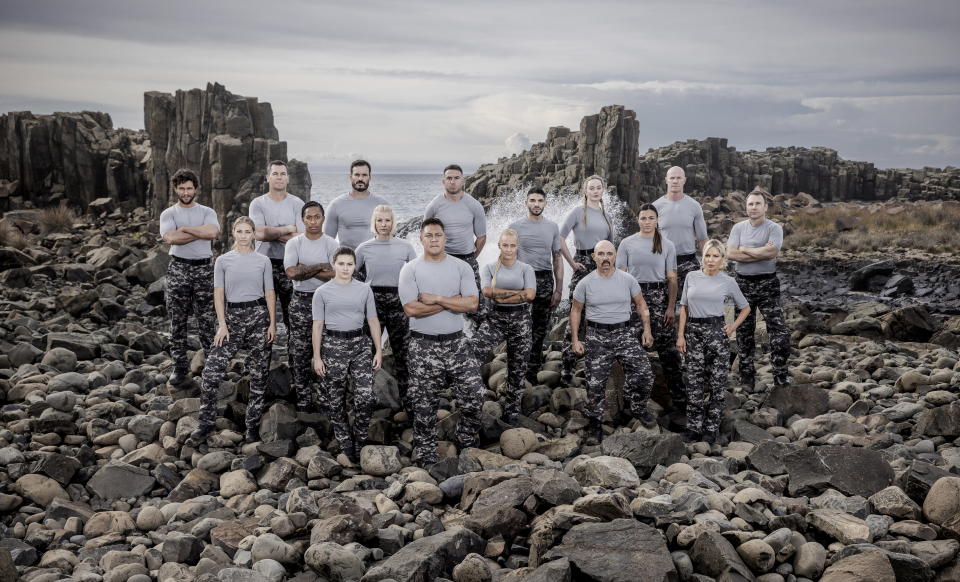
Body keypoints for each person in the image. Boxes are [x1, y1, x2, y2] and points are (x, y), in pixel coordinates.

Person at [398, 217, 484, 466]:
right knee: (423, 404)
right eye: (429, 235)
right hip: (422, 345)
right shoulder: (410, 269)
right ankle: (426, 452)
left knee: (475, 395)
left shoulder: (461, 268)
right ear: (421, 239)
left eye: (438, 235)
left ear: (445, 239)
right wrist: (450, 301)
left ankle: (465, 439)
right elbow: (411, 309)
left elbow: (471, 304)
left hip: (456, 344)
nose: (434, 239)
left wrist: (434, 298)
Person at [190, 217, 276, 444]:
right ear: (233, 233)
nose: (244, 235)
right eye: (240, 231)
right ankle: (205, 423)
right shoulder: (223, 261)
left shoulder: (263, 261)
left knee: (259, 376)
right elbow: (218, 294)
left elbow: (269, 293)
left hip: (259, 316)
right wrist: (222, 325)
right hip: (232, 319)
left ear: (254, 234)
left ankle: (252, 428)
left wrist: (273, 323)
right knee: (210, 372)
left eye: (248, 231)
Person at [571, 240, 655, 444]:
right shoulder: (585, 283)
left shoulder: (627, 280)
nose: (605, 258)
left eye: (609, 254)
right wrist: (575, 339)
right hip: (597, 336)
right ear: (594, 257)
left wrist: (647, 329)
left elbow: (641, 304)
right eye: (601, 254)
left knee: (645, 373)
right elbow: (576, 311)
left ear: (615, 256)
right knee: (595, 383)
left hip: (624, 333)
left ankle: (638, 407)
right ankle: (595, 424)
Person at [312, 247, 383, 462]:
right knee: (336, 400)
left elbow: (372, 321)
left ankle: (360, 440)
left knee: (365, 397)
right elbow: (317, 326)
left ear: (355, 266)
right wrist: (317, 356)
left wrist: (378, 350)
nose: (345, 268)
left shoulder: (364, 290)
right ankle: (345, 443)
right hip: (333, 346)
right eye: (341, 264)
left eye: (349, 264)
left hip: (360, 345)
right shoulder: (322, 292)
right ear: (333, 264)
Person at [677, 239, 751, 444]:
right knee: (694, 382)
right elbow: (683, 307)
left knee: (717, 383)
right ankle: (693, 428)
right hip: (693, 332)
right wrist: (680, 335)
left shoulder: (728, 281)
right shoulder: (691, 277)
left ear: (722, 259)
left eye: (715, 256)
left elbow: (745, 307)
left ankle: (711, 430)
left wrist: (733, 326)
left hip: (716, 333)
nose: (710, 260)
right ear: (703, 257)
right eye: (708, 255)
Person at [616, 203, 686, 418]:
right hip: (634, 301)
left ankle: (680, 404)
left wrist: (671, 307)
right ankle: (628, 405)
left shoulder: (667, 244)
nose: (647, 222)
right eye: (643, 218)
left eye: (651, 218)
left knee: (670, 355)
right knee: (629, 356)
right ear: (638, 220)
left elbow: (672, 279)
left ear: (657, 220)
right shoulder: (627, 244)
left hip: (659, 300)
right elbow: (621, 278)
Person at [159, 168, 220, 386]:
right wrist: (197, 232)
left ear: (196, 189)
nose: (186, 192)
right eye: (182, 188)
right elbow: (171, 238)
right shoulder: (168, 214)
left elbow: (212, 233)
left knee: (206, 320)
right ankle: (179, 367)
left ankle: (212, 366)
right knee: (178, 320)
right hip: (179, 269)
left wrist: (185, 229)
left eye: (189, 188)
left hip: (204, 269)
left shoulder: (207, 211)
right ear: (176, 189)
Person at [725, 188, 790, 389]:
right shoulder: (738, 228)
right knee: (744, 332)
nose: (753, 207)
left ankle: (780, 375)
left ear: (765, 207)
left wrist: (745, 249)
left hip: (767, 284)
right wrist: (756, 252)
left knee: (779, 331)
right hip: (742, 284)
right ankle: (747, 379)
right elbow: (731, 254)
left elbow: (771, 252)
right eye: (750, 204)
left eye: (757, 204)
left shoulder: (774, 228)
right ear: (746, 207)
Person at [471, 230, 536, 425]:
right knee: (472, 354)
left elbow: (531, 295)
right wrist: (517, 293)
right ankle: (472, 400)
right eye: (505, 245)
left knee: (517, 368)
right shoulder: (489, 268)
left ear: (518, 247)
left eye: (512, 245)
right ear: (499, 246)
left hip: (521, 320)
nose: (508, 249)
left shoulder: (526, 269)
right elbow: (487, 291)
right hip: (495, 319)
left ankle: (512, 413)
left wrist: (501, 294)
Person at [355, 205, 418, 405]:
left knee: (403, 351)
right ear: (374, 223)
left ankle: (406, 398)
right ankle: (367, 396)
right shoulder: (363, 248)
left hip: (399, 301)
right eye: (380, 220)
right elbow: (353, 277)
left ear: (393, 223)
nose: (384, 224)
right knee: (370, 349)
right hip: (373, 302)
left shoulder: (405, 247)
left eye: (387, 220)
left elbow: (416, 273)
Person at [283, 201, 338, 413]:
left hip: (326, 301)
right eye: (309, 217)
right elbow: (292, 273)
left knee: (326, 349)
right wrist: (320, 266)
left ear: (323, 219)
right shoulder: (294, 244)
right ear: (303, 219)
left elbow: (336, 275)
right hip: (301, 300)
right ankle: (303, 398)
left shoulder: (332, 244)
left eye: (317, 217)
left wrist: (306, 269)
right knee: (300, 350)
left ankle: (324, 398)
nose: (313, 221)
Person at [559, 175, 614, 383]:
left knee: (599, 315)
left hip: (604, 266)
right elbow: (560, 237)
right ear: (585, 190)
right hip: (583, 262)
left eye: (599, 187)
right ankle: (567, 366)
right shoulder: (577, 212)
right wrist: (573, 263)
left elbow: (611, 247)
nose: (595, 191)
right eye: (591, 188)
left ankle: (596, 367)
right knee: (577, 315)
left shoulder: (608, 216)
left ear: (603, 190)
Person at [508, 187, 566, 383]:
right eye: (532, 200)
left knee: (539, 329)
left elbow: (557, 258)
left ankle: (531, 373)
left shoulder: (552, 227)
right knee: (519, 328)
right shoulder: (515, 227)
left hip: (545, 279)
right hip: (522, 280)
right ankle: (515, 369)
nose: (536, 204)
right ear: (526, 203)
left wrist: (559, 289)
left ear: (545, 203)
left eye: (540, 201)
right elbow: (507, 257)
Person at [423, 164, 486, 320]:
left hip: (468, 259)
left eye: (456, 178)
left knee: (476, 307)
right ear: (443, 182)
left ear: (463, 180)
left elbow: (481, 237)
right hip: (442, 259)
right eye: (449, 178)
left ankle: (475, 339)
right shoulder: (433, 206)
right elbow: (426, 237)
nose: (453, 182)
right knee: (442, 303)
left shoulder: (474, 205)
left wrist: (472, 257)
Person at [249, 160, 304, 332]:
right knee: (263, 319)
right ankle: (262, 358)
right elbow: (259, 234)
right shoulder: (257, 204)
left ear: (288, 178)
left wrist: (271, 232)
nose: (279, 177)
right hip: (263, 265)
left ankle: (293, 359)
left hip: (290, 265)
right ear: (267, 178)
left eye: (282, 174)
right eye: (275, 173)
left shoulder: (298, 204)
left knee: (293, 319)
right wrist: (288, 228)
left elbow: (301, 237)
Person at [653, 166, 708, 297]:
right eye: (672, 178)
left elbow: (702, 239)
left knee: (692, 304)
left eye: (678, 178)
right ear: (666, 180)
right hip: (663, 263)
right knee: (664, 307)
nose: (675, 181)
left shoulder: (694, 206)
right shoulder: (655, 207)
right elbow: (648, 239)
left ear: (684, 180)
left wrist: (708, 264)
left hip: (688, 263)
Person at [325, 160, 389, 250]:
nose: (360, 179)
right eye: (357, 175)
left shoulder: (382, 204)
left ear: (370, 177)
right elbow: (327, 241)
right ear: (350, 177)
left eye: (364, 175)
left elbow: (390, 237)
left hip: (374, 259)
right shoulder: (336, 205)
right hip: (347, 260)